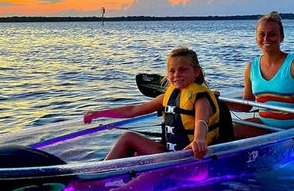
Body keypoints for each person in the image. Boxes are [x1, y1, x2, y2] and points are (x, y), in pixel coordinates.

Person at [83, 46, 220, 161]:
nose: (176, 74)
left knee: (152, 162)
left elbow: (201, 122)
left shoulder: (201, 99)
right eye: (172, 71)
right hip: (169, 151)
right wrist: (99, 113)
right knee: (127, 137)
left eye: (183, 69)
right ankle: (101, 171)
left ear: (196, 71)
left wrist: (199, 139)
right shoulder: (166, 96)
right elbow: (133, 110)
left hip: (189, 154)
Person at [231, 11, 294, 138]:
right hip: (265, 125)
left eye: (272, 34)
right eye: (261, 34)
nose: (266, 39)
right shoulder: (251, 68)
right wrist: (215, 101)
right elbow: (246, 105)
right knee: (227, 133)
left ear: (281, 37)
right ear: (256, 37)